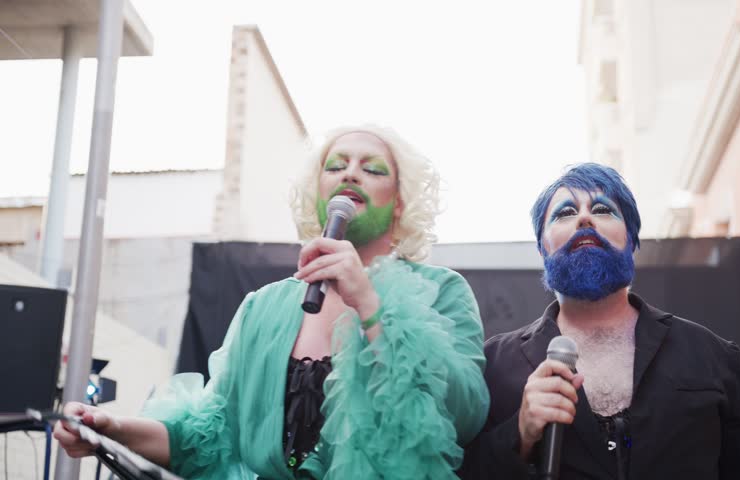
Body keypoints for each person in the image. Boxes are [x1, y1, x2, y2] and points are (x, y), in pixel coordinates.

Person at [55, 125, 490, 479]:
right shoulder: (263, 307)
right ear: (318, 194)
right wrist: (112, 430)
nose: (350, 174)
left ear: (399, 205)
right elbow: (208, 436)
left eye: (371, 169)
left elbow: (464, 412)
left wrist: (370, 304)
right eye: (336, 166)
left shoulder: (442, 292)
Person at [459, 163, 740, 479]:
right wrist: (521, 433)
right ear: (543, 248)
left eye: (602, 209)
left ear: (632, 241)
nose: (584, 217)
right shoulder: (494, 366)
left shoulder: (711, 356)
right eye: (565, 213)